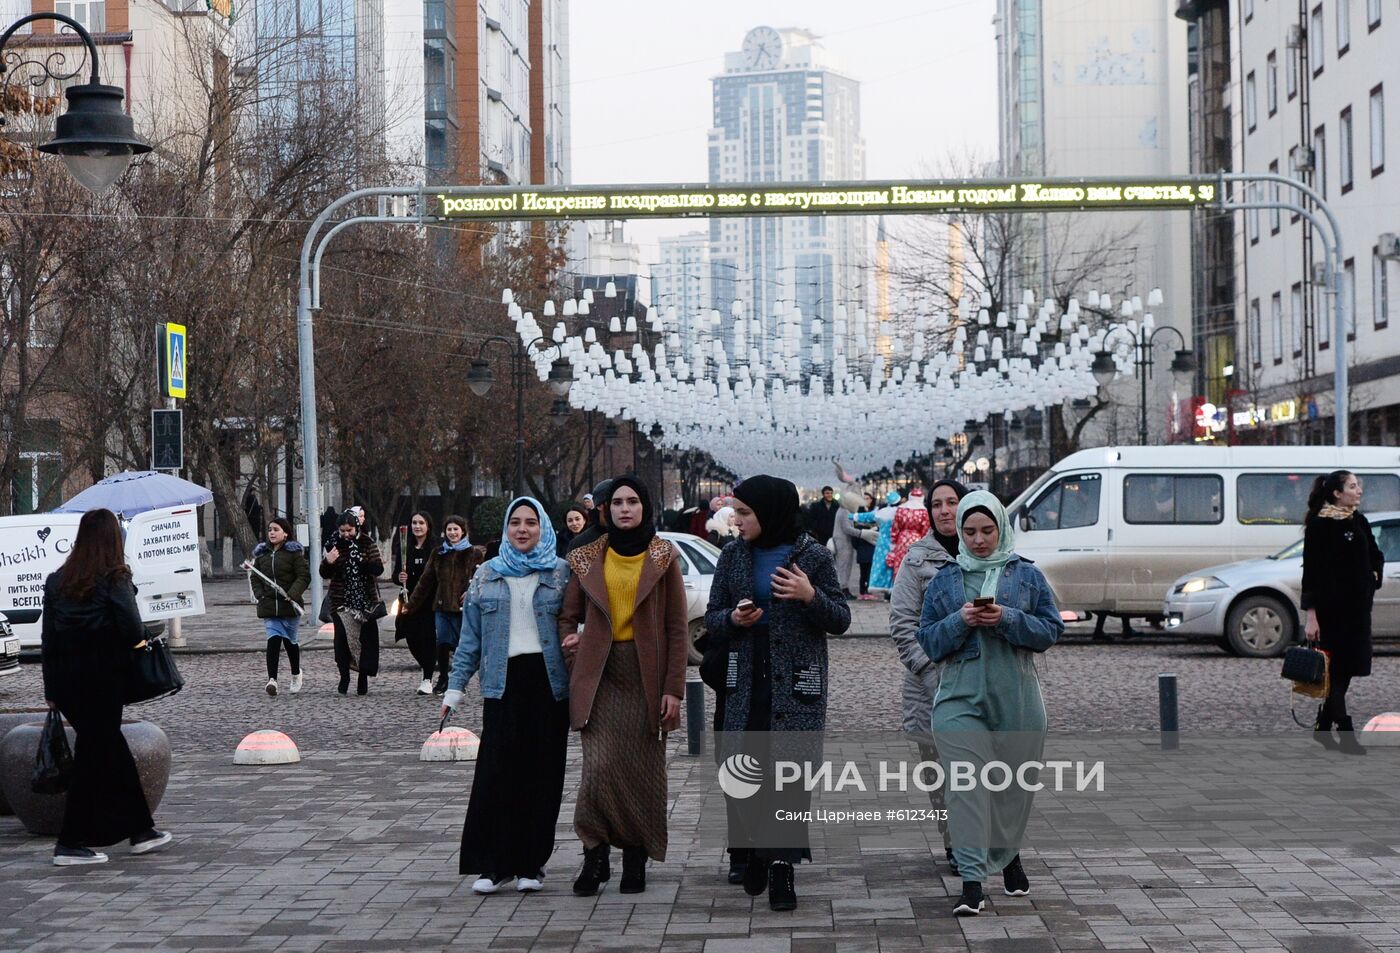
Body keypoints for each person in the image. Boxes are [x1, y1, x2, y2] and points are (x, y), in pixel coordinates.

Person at [704, 474, 851, 912]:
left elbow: (841, 618)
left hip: (795, 681)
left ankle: (782, 868)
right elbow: (711, 618)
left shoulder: (813, 556)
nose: (737, 519)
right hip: (745, 677)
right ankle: (752, 849)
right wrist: (733, 618)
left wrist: (809, 596)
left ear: (769, 513)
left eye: (745, 513)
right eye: (736, 511)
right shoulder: (731, 556)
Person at [916, 491, 1063, 917]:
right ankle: (972, 882)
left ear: (1001, 528)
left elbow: (1050, 632)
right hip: (959, 696)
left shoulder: (1027, 576)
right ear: (959, 532)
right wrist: (959, 621)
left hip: (1016, 696)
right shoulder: (945, 579)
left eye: (987, 530)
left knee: (1011, 788)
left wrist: (1009, 619)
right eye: (970, 531)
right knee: (965, 787)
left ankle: (1008, 854)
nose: (979, 540)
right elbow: (928, 640)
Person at [559, 476, 687, 897]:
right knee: (597, 771)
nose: (625, 509)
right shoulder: (586, 555)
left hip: (646, 676)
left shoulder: (663, 556)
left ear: (645, 508)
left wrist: (674, 688)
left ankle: (635, 857)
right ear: (605, 509)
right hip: (600, 675)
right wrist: (573, 648)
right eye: (617, 502)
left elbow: (675, 627)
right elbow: (568, 615)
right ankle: (594, 855)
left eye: (633, 501)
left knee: (642, 773)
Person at [440, 497, 573, 894]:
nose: (522, 529)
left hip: (549, 685)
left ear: (543, 527)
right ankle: (494, 864)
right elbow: (471, 640)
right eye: (515, 522)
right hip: (502, 683)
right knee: (498, 773)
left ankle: (531, 863)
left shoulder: (561, 573)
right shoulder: (486, 574)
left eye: (531, 522)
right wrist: (455, 688)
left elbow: (579, 624)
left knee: (543, 776)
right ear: (505, 528)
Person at [40, 508, 171, 866]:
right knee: (94, 756)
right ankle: (70, 841)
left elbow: (48, 640)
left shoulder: (57, 581)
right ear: (113, 540)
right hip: (102, 679)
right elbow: (131, 630)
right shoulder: (114, 578)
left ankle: (141, 830)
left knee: (110, 749)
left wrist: (51, 691)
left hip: (67, 682)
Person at [888, 479, 968, 875]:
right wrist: (931, 672)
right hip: (929, 687)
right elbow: (903, 625)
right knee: (939, 769)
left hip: (978, 683)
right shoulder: (917, 559)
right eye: (936, 504)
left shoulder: (987, 552)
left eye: (952, 502)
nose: (944, 510)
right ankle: (955, 842)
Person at [1302, 470, 1383, 754]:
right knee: (1335, 673)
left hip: (1358, 611)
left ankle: (1323, 729)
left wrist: (1372, 578)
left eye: (1358, 485)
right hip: (1332, 611)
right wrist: (1311, 615)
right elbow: (1310, 573)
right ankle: (1346, 734)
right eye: (1352, 486)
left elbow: (1375, 554)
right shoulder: (1319, 524)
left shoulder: (1358, 519)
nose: (1359, 490)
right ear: (1337, 493)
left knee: (1344, 673)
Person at [404, 515, 485, 695]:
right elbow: (425, 581)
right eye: (449, 529)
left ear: (463, 531)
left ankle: (460, 680)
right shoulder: (438, 553)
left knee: (460, 646)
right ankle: (443, 678)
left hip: (464, 608)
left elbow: (483, 578)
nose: (452, 533)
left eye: (456, 529)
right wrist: (411, 604)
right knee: (442, 642)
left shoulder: (474, 553)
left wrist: (471, 591)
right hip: (441, 606)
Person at [319, 509, 384, 696]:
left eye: (350, 530)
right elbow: (324, 573)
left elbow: (378, 568)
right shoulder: (335, 544)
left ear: (356, 528)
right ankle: (344, 675)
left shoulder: (367, 542)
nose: (346, 534)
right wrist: (328, 561)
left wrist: (364, 563)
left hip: (365, 602)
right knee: (341, 641)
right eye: (343, 531)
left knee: (366, 641)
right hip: (342, 601)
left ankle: (363, 676)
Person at [249, 517, 311, 696]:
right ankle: (272, 680)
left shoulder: (294, 554)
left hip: (289, 605)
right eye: (270, 529)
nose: (272, 533)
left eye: (276, 529)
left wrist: (292, 593)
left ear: (285, 533)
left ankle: (295, 673)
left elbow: (304, 576)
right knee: (273, 639)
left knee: (290, 642)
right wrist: (260, 594)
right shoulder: (262, 554)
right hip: (269, 605)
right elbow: (255, 576)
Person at [393, 511, 439, 695]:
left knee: (428, 638)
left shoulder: (435, 548)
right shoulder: (405, 548)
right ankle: (428, 666)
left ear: (428, 525)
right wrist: (399, 576)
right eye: (414, 523)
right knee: (412, 639)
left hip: (429, 600)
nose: (417, 526)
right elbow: (397, 575)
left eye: (421, 523)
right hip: (409, 600)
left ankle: (427, 678)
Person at [567, 479, 614, 553]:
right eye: (616, 502)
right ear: (599, 505)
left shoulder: (635, 539)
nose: (624, 508)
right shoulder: (580, 544)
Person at [855, 492, 878, 599]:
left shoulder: (874, 511)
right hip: (862, 544)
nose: (866, 500)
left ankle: (868, 590)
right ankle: (862, 591)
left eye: (867, 498)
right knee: (863, 569)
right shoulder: (859, 512)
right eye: (864, 498)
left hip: (872, 544)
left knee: (870, 569)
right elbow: (856, 528)